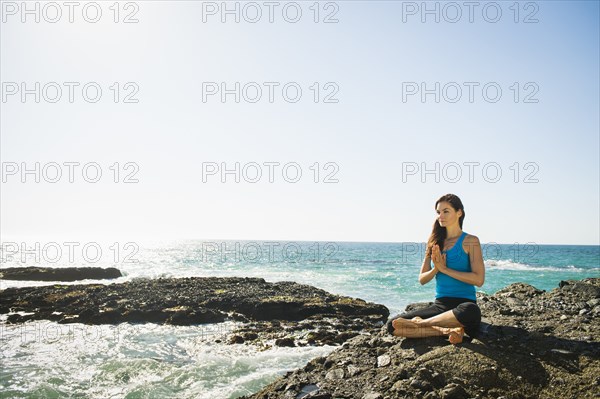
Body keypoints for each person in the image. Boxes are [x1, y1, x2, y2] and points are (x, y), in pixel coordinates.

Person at [386, 193, 485, 344]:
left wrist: (445, 270)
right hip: (440, 306)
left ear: (459, 213)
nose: (441, 216)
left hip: (462, 307)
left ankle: (423, 324)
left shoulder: (470, 241)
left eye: (446, 211)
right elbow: (422, 279)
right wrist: (436, 270)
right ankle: (447, 331)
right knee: (392, 325)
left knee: (470, 311)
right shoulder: (434, 242)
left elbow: (478, 280)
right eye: (439, 212)